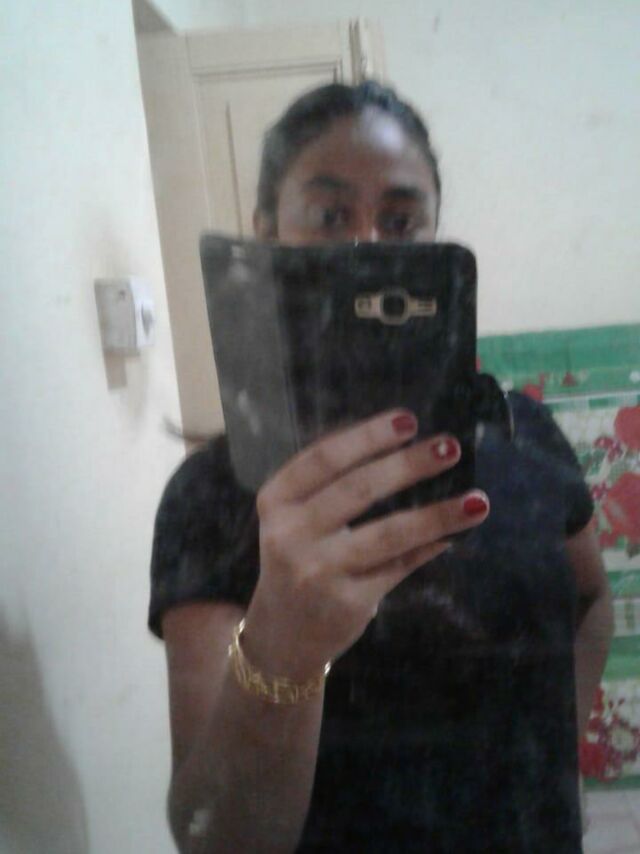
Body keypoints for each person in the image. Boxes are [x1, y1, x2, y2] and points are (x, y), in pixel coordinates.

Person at [149, 81, 613, 853]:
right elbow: (216, 837)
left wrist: (552, 760)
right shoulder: (213, 494)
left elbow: (593, 598)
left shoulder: (525, 432)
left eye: (400, 221)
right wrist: (285, 647)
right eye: (330, 216)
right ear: (267, 236)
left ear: (432, 236)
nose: (367, 246)